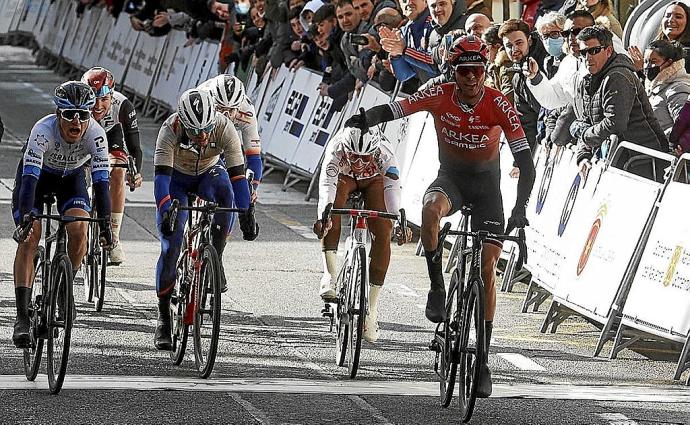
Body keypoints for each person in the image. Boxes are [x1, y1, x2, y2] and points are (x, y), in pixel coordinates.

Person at [345, 36, 536, 397]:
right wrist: (366, 118)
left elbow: (525, 162)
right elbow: (400, 108)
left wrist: (520, 210)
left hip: (486, 191)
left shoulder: (499, 103)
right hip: (451, 180)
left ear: (484, 73)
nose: (471, 79)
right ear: (454, 72)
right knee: (429, 211)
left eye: (478, 72)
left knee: (486, 269)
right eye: (464, 72)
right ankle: (436, 287)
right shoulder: (440, 94)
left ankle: (482, 358)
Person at [153, 89, 259, 350]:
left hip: (209, 173)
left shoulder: (224, 128)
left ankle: (217, 256)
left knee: (227, 196)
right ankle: (164, 316)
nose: (201, 136)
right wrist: (166, 209)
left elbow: (237, 176)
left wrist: (246, 212)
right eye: (194, 131)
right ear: (183, 123)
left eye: (206, 130)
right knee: (171, 245)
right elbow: (161, 180)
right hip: (176, 178)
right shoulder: (170, 129)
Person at [11, 81, 113, 347]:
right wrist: (25, 217)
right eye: (69, 114)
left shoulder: (96, 135)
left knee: (80, 229)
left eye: (83, 114)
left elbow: (102, 185)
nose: (76, 121)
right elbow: (30, 179)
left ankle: (63, 289)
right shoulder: (42, 131)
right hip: (38, 179)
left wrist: (105, 227)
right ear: (58, 114)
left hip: (72, 180)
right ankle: (22, 317)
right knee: (30, 237)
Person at [314, 126, 409, 342]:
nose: (358, 163)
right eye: (353, 156)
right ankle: (329, 274)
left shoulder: (384, 152)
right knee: (331, 215)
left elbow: (392, 188)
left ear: (373, 151)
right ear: (346, 149)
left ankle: (372, 310)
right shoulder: (337, 149)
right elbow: (327, 187)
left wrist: (397, 220)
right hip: (343, 178)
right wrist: (324, 216)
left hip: (375, 180)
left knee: (383, 232)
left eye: (363, 158)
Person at [570, 26, 666, 179]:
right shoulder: (589, 79)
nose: (588, 57)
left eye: (593, 51)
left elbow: (615, 123)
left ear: (608, 51)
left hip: (642, 163)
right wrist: (583, 156)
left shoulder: (618, 76)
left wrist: (584, 134)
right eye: (583, 52)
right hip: (619, 161)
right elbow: (586, 121)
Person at [81, 67, 144, 266]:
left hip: (110, 135)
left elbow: (135, 148)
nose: (98, 106)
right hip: (81, 137)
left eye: (104, 99)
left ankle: (114, 237)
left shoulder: (123, 105)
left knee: (119, 168)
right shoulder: (77, 101)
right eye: (93, 100)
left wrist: (135, 173)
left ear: (112, 95)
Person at [197, 74, 263, 193]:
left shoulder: (247, 112)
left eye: (231, 110)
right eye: (220, 109)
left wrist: (251, 188)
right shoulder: (201, 99)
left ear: (238, 107)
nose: (225, 115)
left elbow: (254, 157)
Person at [642, 40, 690, 147]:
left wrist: (665, 140)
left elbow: (683, 127)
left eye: (653, 61)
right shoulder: (654, 86)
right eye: (646, 61)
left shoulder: (678, 88)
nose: (647, 66)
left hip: (667, 155)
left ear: (668, 63)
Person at [630, 2, 690, 74]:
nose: (671, 20)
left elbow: (661, 83)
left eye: (678, 17)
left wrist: (641, 69)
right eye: (667, 15)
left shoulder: (686, 54)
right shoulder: (656, 46)